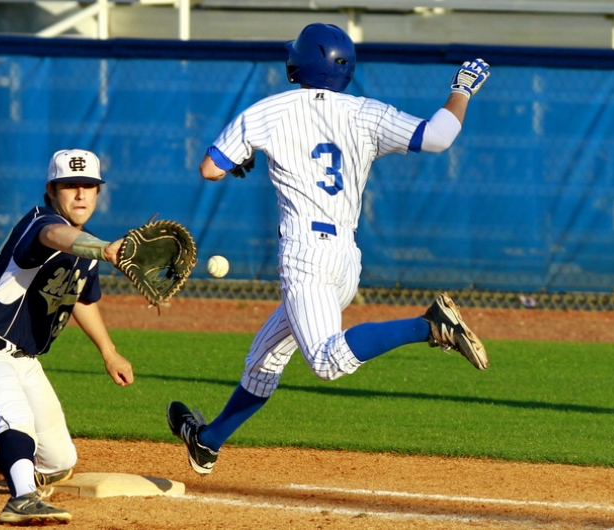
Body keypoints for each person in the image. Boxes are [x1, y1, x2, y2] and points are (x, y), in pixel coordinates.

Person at [167, 23, 491, 475]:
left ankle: (429, 326)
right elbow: (438, 137)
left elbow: (209, 169)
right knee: (264, 360)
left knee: (326, 361)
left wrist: (242, 157)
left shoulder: (268, 111)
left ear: (297, 64)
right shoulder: (365, 112)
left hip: (304, 254)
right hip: (344, 260)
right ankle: (207, 441)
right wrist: (461, 90)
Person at [0, 149, 135, 524]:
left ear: (98, 193)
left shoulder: (88, 250)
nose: (80, 195)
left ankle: (13, 459)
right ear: (51, 190)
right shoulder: (39, 224)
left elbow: (80, 298)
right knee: (15, 422)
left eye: (89, 186)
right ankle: (23, 497)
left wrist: (110, 353)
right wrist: (104, 248)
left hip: (25, 361)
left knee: (61, 462)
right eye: (70, 186)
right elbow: (55, 235)